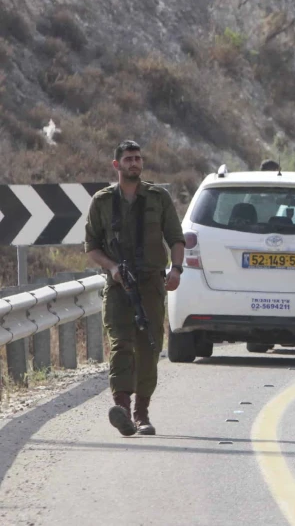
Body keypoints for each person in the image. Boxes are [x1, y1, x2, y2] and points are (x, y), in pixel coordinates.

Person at [84, 140, 185, 436]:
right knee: (121, 344)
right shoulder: (102, 202)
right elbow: (91, 246)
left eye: (138, 158)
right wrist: (112, 267)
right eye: (128, 159)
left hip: (151, 284)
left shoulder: (158, 197)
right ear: (117, 165)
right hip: (118, 286)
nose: (134, 163)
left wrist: (176, 270)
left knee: (149, 347)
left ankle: (142, 413)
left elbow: (176, 238)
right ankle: (123, 410)